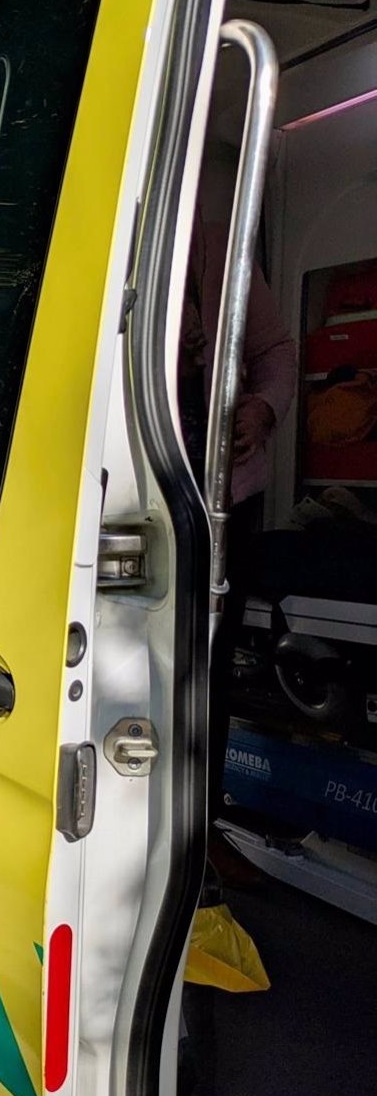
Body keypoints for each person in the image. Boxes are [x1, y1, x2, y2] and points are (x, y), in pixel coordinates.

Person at [180, 208, 297, 812]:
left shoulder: (219, 244)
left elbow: (276, 348)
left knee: (213, 670)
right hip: (133, 492)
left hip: (226, 499)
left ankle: (205, 828)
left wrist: (263, 408)